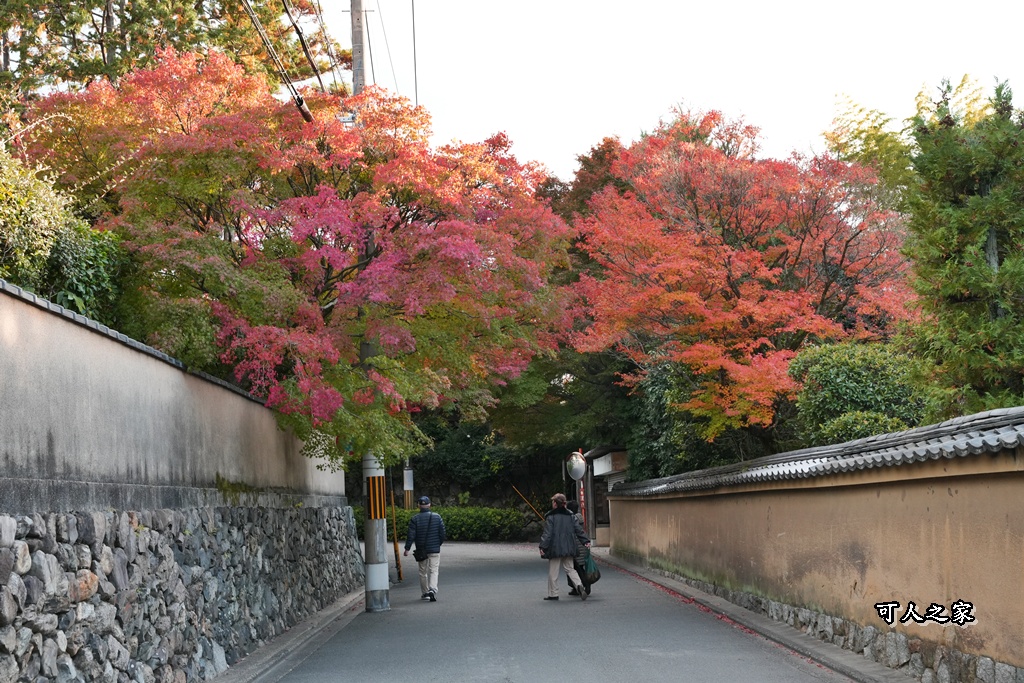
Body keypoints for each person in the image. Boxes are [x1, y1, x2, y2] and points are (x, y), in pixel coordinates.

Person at [539, 492, 591, 601]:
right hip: (569, 546)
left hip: (555, 547)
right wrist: (585, 541)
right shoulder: (571, 515)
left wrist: (542, 547)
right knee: (570, 569)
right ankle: (579, 585)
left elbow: (547, 534)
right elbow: (578, 530)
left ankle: (553, 594)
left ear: (555, 504)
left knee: (553, 572)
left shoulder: (551, 516)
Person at [404, 496, 446, 601]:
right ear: (429, 505)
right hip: (434, 549)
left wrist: (407, 549)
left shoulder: (415, 519)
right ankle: (433, 589)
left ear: (418, 506)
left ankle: (425, 593)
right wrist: (438, 544)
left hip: (421, 550)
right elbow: (442, 534)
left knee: (423, 572)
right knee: (434, 570)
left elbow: (411, 535)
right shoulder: (437, 517)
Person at [565, 500, 591, 596]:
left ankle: (582, 585)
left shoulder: (571, 519)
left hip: (575, 546)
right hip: (582, 545)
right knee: (579, 568)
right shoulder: (580, 518)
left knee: (574, 569)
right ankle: (580, 586)